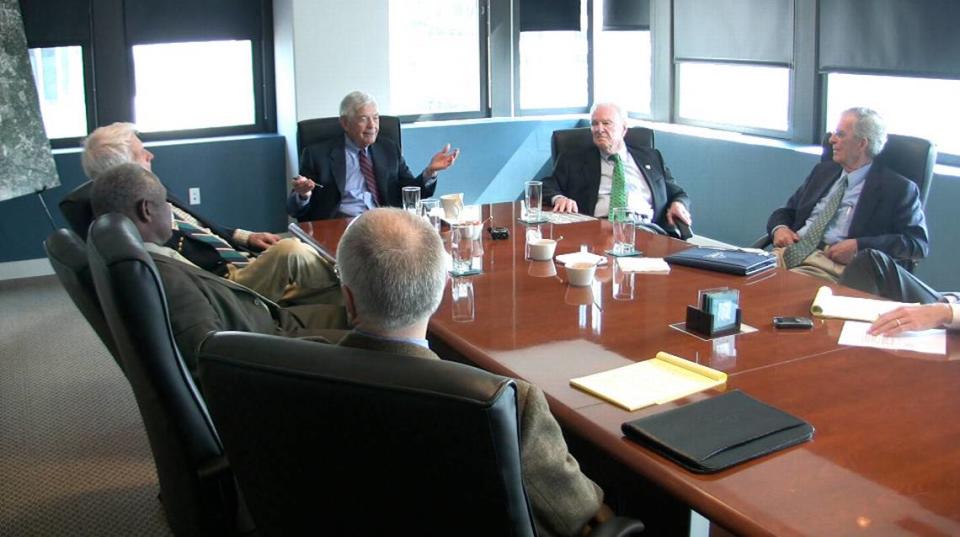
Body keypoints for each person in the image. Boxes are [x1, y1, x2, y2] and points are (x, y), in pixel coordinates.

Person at [335, 208, 608, 537]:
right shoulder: (510, 403)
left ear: (347, 299)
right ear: (442, 290)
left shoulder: (281, 368)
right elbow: (577, 512)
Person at [89, 163, 348, 375]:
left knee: (355, 312)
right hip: (270, 336)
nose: (171, 211)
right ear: (146, 210)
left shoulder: (135, 256)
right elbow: (214, 361)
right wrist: (323, 348)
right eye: (164, 205)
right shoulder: (168, 276)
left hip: (261, 317)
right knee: (373, 332)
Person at [82, 122, 339, 306]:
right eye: (142, 153)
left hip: (241, 260)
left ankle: (354, 293)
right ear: (124, 169)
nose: (151, 154)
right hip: (224, 284)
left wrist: (245, 236)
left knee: (320, 280)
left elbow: (200, 226)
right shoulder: (138, 222)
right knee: (290, 250)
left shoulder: (154, 190)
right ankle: (352, 283)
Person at [766, 107, 929, 283]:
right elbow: (787, 211)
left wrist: (859, 246)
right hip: (788, 252)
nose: (831, 140)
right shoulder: (823, 171)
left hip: (830, 265)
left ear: (862, 144)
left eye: (840, 134)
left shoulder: (898, 188)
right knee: (738, 274)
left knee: (775, 291)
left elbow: (917, 243)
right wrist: (780, 228)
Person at [287, 91, 459, 221]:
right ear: (345, 123)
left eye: (375, 118)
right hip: (343, 227)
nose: (372, 126)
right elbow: (296, 210)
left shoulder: (388, 149)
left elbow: (409, 192)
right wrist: (304, 195)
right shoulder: (317, 154)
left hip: (386, 224)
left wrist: (430, 172)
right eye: (364, 119)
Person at [541, 102, 691, 233]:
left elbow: (678, 193)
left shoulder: (651, 158)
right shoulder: (573, 159)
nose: (599, 129)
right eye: (594, 123)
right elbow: (547, 186)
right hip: (597, 229)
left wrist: (678, 204)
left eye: (606, 123)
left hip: (647, 230)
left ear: (624, 129)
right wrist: (559, 198)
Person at [838, 249, 959, 335]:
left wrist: (946, 312)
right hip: (951, 301)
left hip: (951, 314)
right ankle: (844, 333)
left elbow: (917, 245)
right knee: (870, 260)